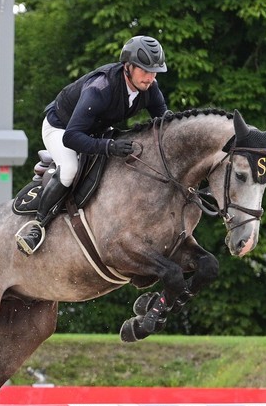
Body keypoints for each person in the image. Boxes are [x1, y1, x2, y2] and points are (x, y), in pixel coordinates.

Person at [15, 35, 169, 255]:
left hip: (95, 129)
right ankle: (37, 226)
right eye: (145, 71)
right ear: (128, 67)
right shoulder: (100, 88)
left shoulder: (150, 87)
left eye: (155, 72)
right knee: (70, 169)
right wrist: (108, 147)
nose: (150, 78)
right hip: (61, 128)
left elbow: (164, 124)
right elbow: (71, 137)